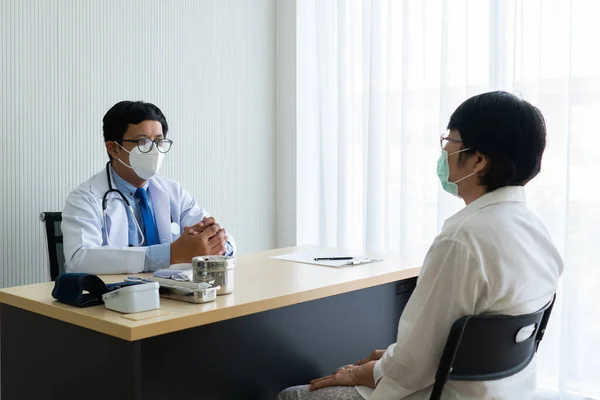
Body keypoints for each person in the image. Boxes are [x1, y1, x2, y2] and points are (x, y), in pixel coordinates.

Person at [276, 91, 563, 400]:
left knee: (294, 396)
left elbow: (413, 365)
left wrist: (359, 372)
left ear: (478, 159)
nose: (444, 155)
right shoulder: (537, 232)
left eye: (449, 143)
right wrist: (390, 358)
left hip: (443, 393)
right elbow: (451, 344)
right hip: (506, 392)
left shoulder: (462, 238)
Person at [62, 101, 235, 274]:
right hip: (117, 296)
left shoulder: (174, 192)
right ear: (113, 149)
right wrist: (171, 254)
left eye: (159, 141)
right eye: (142, 142)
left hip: (174, 293)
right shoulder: (85, 198)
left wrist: (216, 243)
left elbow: (226, 244)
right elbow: (80, 259)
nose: (154, 150)